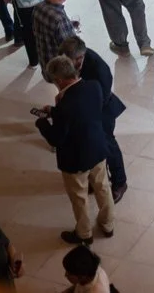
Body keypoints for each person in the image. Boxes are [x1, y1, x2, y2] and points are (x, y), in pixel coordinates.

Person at [35, 56, 116, 246]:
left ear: (60, 80)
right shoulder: (93, 87)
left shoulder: (65, 105)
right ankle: (108, 224)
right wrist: (55, 111)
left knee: (79, 197)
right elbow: (82, 112)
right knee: (103, 188)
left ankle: (84, 233)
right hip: (97, 149)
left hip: (75, 159)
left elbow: (56, 138)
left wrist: (42, 123)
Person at [61, 36, 128, 204]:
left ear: (79, 58)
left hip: (101, 112)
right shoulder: (71, 59)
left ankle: (120, 182)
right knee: (91, 148)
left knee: (108, 145)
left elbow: (101, 98)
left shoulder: (99, 69)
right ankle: (95, 179)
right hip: (84, 111)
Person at [33, 0, 80, 79]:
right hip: (59, 70)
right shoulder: (59, 19)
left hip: (45, 62)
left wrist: (69, 25)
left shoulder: (38, 7)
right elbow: (71, 49)